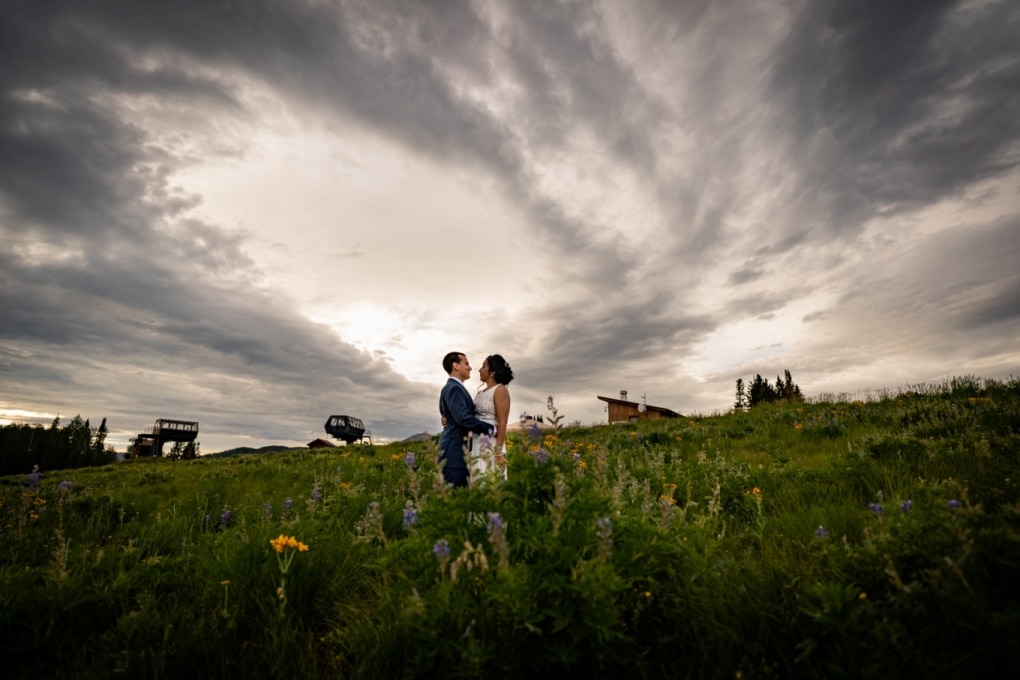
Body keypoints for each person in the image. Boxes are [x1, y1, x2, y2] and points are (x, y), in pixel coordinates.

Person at [438, 352, 494, 488]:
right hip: (455, 456)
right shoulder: (454, 388)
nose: (470, 368)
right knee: (455, 502)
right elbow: (463, 419)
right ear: (456, 366)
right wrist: (492, 429)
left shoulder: (453, 388)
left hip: (457, 454)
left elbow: (451, 416)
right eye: (466, 363)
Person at [470, 354, 514, 480]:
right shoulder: (479, 393)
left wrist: (498, 452)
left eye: (483, 366)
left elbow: (502, 421)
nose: (479, 370)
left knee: (489, 478)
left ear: (492, 373)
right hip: (476, 440)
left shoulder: (500, 390)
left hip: (491, 442)